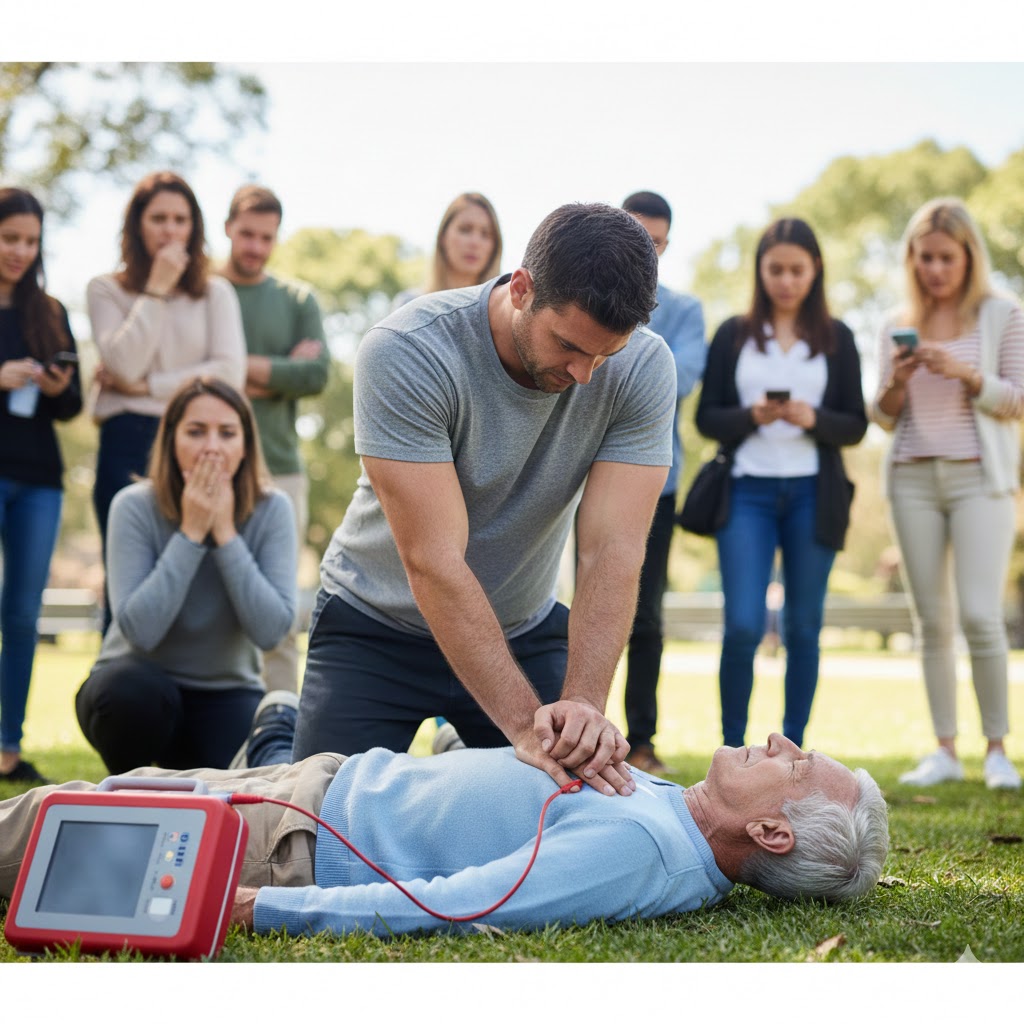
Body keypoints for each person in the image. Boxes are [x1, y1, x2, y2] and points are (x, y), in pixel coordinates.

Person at [294, 203, 677, 798]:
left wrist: (580, 707)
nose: (584, 376)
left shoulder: (646, 366)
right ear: (521, 288)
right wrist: (525, 728)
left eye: (605, 355)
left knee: (562, 814)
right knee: (321, 819)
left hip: (522, 628)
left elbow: (612, 550)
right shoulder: (407, 349)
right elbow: (435, 559)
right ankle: (274, 731)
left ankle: (459, 753)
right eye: (570, 346)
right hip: (376, 624)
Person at [0, 705, 890, 937]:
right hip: (318, 785)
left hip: (287, 841)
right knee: (81, 803)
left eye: (796, 762)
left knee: (38, 826)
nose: (778, 739)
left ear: (772, 834)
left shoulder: (642, 851)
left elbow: (460, 904)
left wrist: (266, 909)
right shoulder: (671, 814)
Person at [871, 198, 1024, 790]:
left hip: (979, 479)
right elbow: (882, 417)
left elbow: (1017, 400)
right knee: (931, 620)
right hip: (911, 478)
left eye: (946, 257)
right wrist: (899, 381)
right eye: (923, 257)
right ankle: (944, 749)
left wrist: (967, 375)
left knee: (982, 616)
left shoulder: (1002, 315)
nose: (934, 268)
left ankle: (997, 750)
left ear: (968, 257)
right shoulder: (892, 323)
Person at [696, 217, 866, 749]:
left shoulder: (838, 338)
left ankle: (793, 751)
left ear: (816, 270)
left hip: (814, 494)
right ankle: (732, 749)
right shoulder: (733, 334)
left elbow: (855, 424)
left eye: (797, 270)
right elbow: (707, 418)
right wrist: (754, 415)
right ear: (760, 271)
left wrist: (811, 419)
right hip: (747, 492)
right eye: (775, 270)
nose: (786, 281)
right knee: (744, 624)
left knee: (802, 628)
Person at [74, 377, 297, 775]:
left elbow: (271, 632)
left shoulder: (272, 509)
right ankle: (128, 786)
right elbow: (140, 632)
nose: (212, 446)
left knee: (250, 780)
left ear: (245, 445)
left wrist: (226, 534)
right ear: (171, 439)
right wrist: (191, 532)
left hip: (227, 692)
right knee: (129, 694)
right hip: (136, 689)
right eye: (196, 431)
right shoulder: (133, 506)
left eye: (227, 433)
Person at [87, 170, 246, 630]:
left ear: (195, 228)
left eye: (181, 219)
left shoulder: (216, 292)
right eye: (158, 218)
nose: (170, 230)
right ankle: (115, 685)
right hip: (125, 439)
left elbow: (229, 373)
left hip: (197, 441)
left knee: (197, 566)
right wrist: (155, 288)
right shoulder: (106, 289)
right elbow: (123, 365)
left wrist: (147, 387)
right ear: (137, 225)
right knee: (125, 576)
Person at [219, 184, 330, 693]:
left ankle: (282, 733)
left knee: (279, 611)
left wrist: (234, 374)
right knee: (217, 606)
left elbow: (315, 376)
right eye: (246, 234)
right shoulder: (205, 295)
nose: (255, 247)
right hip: (213, 467)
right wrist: (278, 370)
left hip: (281, 469)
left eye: (266, 237)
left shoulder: (297, 299)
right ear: (227, 229)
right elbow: (194, 378)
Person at [619, 190, 707, 774]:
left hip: (657, 479)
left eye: (655, 244)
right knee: (566, 609)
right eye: (636, 239)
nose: (646, 253)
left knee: (644, 616)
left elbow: (677, 380)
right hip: (576, 477)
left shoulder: (685, 311)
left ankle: (640, 741)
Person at [0, 187, 82, 784]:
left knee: (24, 614)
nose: (20, 251)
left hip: (39, 481)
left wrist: (56, 387)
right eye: (10, 238)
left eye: (30, 240)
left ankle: (8, 745)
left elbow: (73, 402)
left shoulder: (49, 311)